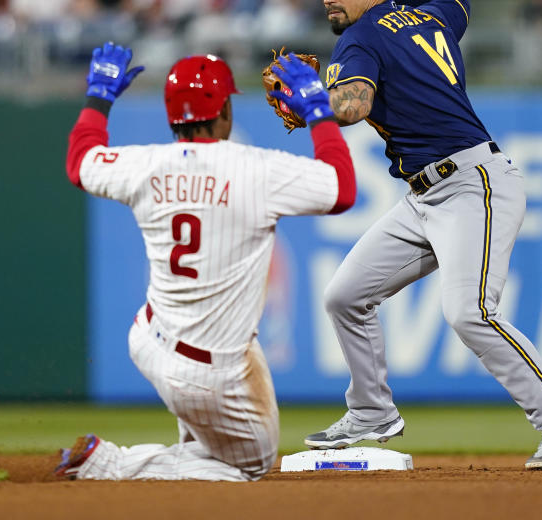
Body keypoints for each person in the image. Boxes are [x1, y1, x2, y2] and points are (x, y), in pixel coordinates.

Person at [272, 0, 542, 470]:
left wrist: (311, 101)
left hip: (473, 183)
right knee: (344, 296)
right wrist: (387, 3)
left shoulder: (358, 39)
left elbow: (354, 105)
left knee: (469, 312)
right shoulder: (430, 16)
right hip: (424, 196)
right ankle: (371, 412)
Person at [56, 42, 356, 481]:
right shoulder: (257, 169)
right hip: (209, 367)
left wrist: (99, 97)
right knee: (247, 465)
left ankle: (184, 467)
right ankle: (108, 465)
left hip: (151, 338)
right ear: (225, 112)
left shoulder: (145, 164)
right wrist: (317, 111)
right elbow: (342, 190)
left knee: (210, 439)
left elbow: (79, 162)